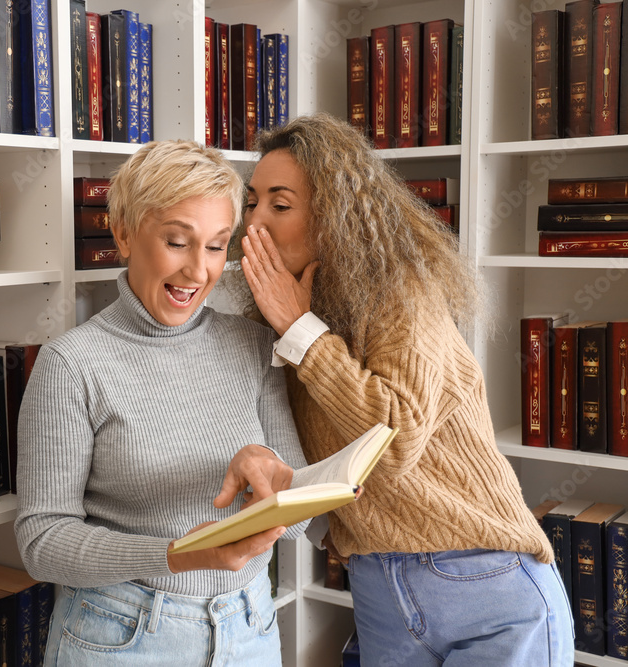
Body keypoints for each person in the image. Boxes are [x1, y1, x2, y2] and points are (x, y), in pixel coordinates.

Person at [226, 112, 573, 665]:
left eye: (280, 204)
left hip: (484, 579)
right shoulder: (284, 319)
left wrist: (300, 331)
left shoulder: (402, 292)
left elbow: (398, 439)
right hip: (379, 589)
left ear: (333, 217)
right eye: (252, 202)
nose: (255, 223)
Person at [14, 140, 308, 666]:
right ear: (124, 233)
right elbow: (42, 543)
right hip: (124, 637)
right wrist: (175, 555)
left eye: (217, 246)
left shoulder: (253, 345)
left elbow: (307, 519)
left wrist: (273, 473)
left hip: (250, 628)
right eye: (177, 241)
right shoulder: (71, 364)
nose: (199, 271)